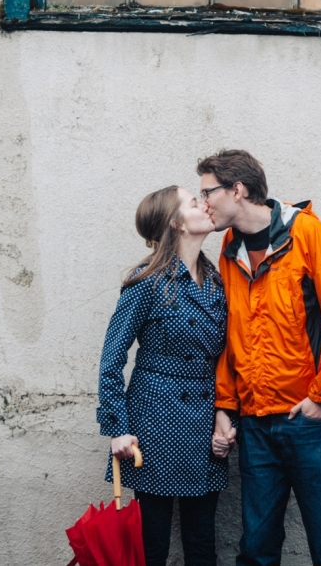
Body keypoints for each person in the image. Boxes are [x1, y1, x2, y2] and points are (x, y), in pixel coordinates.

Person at [198, 150, 321, 566]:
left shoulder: (307, 234)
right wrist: (226, 405)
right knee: (255, 551)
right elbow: (230, 331)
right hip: (255, 426)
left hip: (310, 422)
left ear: (237, 190)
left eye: (207, 193)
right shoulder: (229, 247)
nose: (203, 204)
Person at [97, 185, 228, 566]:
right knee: (152, 546)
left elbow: (225, 360)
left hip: (203, 425)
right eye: (193, 202)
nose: (204, 205)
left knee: (202, 544)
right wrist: (117, 427)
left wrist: (226, 416)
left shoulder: (216, 282)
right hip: (153, 424)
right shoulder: (147, 281)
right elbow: (111, 359)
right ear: (176, 223)